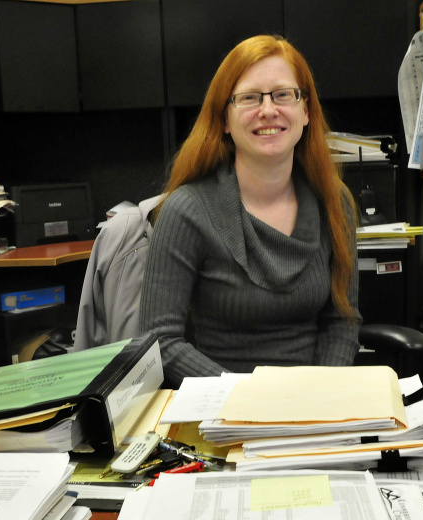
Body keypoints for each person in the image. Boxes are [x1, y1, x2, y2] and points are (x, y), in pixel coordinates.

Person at [140, 34, 360, 387]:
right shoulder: (187, 211)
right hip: (220, 410)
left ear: (306, 111)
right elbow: (161, 342)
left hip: (312, 407)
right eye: (249, 98)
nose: (268, 110)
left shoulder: (336, 203)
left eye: (283, 95)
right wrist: (249, 398)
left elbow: (342, 320)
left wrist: (320, 397)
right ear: (225, 119)